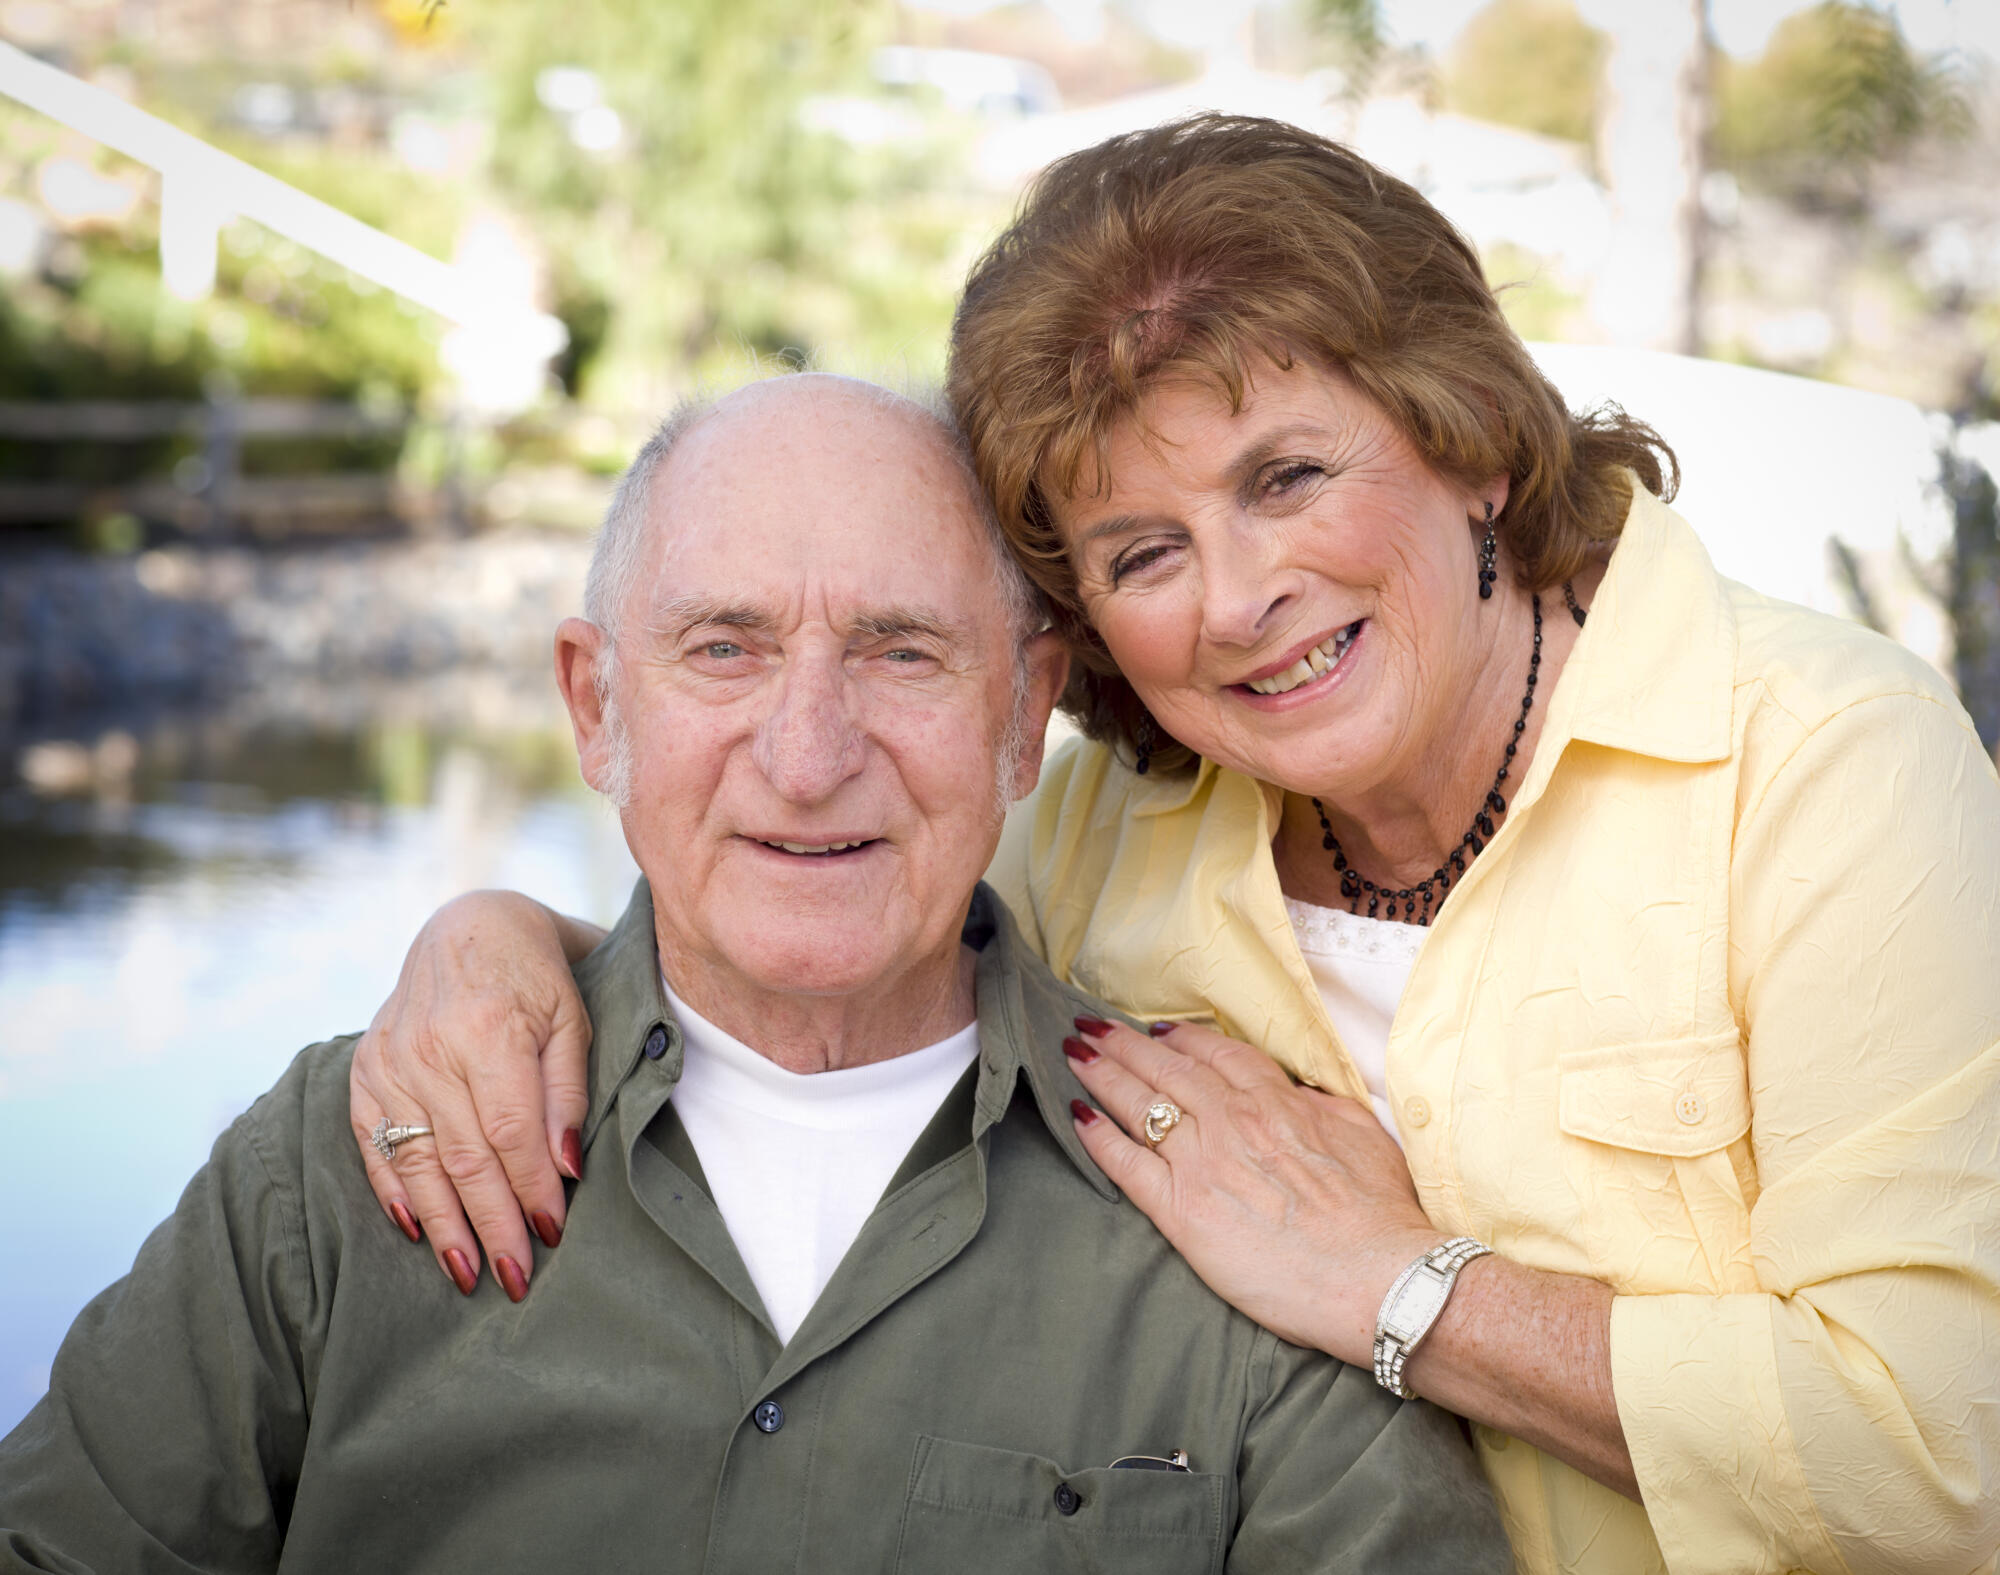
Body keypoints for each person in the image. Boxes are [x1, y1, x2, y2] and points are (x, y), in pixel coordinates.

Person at [348, 119, 2000, 1575]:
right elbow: (813, 955)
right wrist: (501, 937)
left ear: (1476, 441)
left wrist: (1402, 1290)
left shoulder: (1824, 765)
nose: (1233, 597)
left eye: (1287, 477)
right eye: (1145, 550)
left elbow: (1952, 1452)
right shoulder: (1103, 833)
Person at [0, 376, 1512, 1574]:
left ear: (1025, 712)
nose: (807, 756)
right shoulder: (339, 1173)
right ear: (597, 710)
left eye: (901, 653)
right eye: (723, 650)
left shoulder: (1250, 1208)